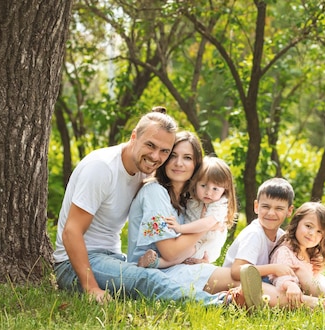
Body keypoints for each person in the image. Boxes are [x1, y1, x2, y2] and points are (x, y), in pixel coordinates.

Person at [53, 108, 263, 307]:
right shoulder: (102, 168)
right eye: (150, 146)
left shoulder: (144, 170)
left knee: (158, 276)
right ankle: (222, 305)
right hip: (75, 264)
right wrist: (91, 288)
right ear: (134, 137)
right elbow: (71, 232)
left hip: (112, 257)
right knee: (148, 278)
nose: (156, 157)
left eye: (164, 151)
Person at [126, 131, 273, 306]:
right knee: (239, 281)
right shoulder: (155, 192)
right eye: (173, 155)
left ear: (197, 165)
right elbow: (170, 252)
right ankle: (299, 301)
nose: (179, 163)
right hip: (152, 272)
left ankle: (303, 299)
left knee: (244, 282)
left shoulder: (187, 199)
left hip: (179, 266)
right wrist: (207, 226)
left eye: (187, 158)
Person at [137, 156, 237, 268]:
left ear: (225, 189)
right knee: (182, 254)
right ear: (195, 183)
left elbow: (207, 224)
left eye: (215, 189)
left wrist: (180, 228)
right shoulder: (193, 198)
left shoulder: (219, 205)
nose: (208, 192)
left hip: (205, 244)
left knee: (183, 254)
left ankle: (157, 263)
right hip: (192, 239)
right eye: (203, 186)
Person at [222, 178, 302, 307]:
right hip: (234, 285)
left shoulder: (281, 236)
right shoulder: (254, 234)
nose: (271, 213)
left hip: (262, 281)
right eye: (266, 206)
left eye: (279, 208)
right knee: (277, 296)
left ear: (289, 211)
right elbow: (236, 271)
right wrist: (274, 269)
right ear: (256, 206)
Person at [268, 202, 325, 309]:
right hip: (292, 298)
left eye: (319, 231)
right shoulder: (285, 252)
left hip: (315, 293)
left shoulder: (311, 253)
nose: (312, 233)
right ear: (296, 223)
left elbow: (315, 277)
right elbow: (280, 277)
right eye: (308, 226)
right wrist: (290, 284)